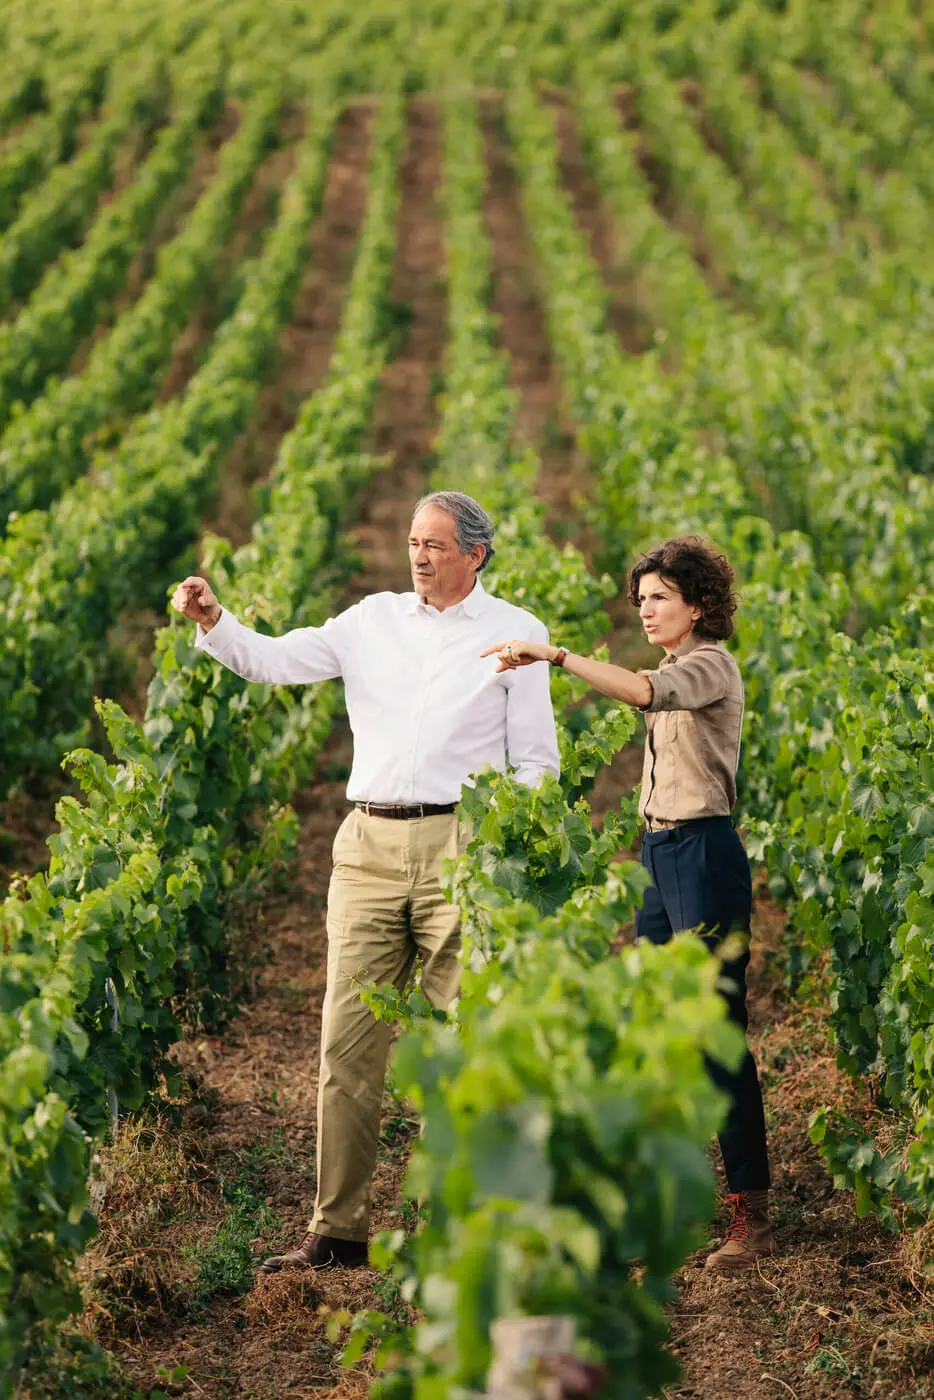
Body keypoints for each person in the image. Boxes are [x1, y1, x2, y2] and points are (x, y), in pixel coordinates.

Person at [171, 491, 560, 1271]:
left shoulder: (518, 634)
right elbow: (276, 661)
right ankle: (336, 1230)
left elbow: (538, 765)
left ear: (475, 555)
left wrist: (494, 840)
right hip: (369, 846)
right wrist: (214, 623)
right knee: (346, 1042)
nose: (419, 555)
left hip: (463, 843)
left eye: (436, 544)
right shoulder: (369, 621)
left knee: (470, 1041)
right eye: (414, 541)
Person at [482, 535, 773, 1274]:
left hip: (704, 856)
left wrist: (556, 658)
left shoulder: (708, 666)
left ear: (697, 606)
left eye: (659, 599)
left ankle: (751, 1211)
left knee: (717, 1031)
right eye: (640, 599)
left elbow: (644, 692)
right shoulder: (680, 662)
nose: (645, 611)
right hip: (660, 854)